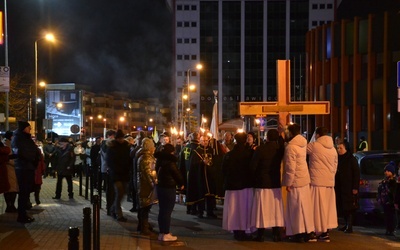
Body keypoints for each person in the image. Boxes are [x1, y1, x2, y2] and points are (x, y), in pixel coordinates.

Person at [282, 123, 316, 242]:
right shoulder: (303, 143)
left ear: (290, 133)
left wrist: (288, 182)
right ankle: (308, 231)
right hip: (304, 178)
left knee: (296, 207)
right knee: (305, 207)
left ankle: (298, 232)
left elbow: (290, 167)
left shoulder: (291, 147)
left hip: (296, 180)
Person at [249, 129, 285, 242]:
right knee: (275, 208)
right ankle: (276, 233)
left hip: (262, 182)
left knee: (262, 209)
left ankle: (261, 234)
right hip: (274, 182)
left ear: (267, 137)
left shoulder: (261, 149)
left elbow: (253, 166)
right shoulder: (279, 149)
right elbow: (282, 143)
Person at [307, 127, 338, 242]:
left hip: (316, 182)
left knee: (315, 207)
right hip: (329, 183)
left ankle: (314, 231)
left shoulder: (314, 146)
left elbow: (304, 149)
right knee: (327, 208)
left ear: (318, 135)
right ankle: (325, 232)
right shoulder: (333, 149)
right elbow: (335, 166)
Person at [222, 132, 253, 241]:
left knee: (234, 209)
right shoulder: (249, 154)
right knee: (244, 209)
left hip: (232, 186)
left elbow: (223, 170)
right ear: (245, 141)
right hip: (246, 185)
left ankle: (235, 230)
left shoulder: (229, 155)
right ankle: (244, 229)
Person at [11, 121, 41, 223]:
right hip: (23, 168)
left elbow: (35, 151)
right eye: (29, 127)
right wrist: (32, 159)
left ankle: (23, 213)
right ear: (24, 128)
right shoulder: (18, 138)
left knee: (26, 192)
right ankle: (21, 215)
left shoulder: (26, 138)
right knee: (23, 192)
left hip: (29, 167)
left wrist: (34, 161)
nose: (30, 129)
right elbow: (21, 153)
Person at [155, 143, 184, 242]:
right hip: (168, 188)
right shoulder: (170, 162)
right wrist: (182, 184)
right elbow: (177, 174)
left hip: (160, 187)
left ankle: (162, 232)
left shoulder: (159, 160)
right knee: (167, 211)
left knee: (162, 210)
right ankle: (166, 233)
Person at [106, 129, 132, 222]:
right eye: (119, 138)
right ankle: (118, 214)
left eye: (121, 138)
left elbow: (129, 159)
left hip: (124, 174)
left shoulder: (126, 146)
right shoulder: (112, 147)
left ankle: (113, 209)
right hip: (116, 174)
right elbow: (109, 161)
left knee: (123, 193)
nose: (120, 140)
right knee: (119, 193)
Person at [335, 140, 360, 233]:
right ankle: (346, 224)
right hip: (340, 186)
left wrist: (355, 187)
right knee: (343, 206)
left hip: (349, 187)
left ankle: (349, 226)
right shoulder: (338, 158)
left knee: (349, 207)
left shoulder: (351, 159)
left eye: (341, 148)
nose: (339, 150)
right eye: (338, 148)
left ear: (346, 148)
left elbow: (356, 174)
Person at [137, 138, 158, 235]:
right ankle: (144, 228)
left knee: (144, 207)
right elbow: (149, 173)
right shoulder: (146, 158)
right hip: (146, 186)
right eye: (153, 146)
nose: (154, 148)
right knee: (145, 207)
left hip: (143, 184)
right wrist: (154, 184)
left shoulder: (144, 156)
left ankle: (143, 225)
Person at [178, 132, 200, 215]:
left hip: (186, 173)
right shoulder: (199, 148)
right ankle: (194, 209)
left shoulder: (184, 148)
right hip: (196, 174)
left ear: (190, 138)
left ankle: (188, 208)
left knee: (188, 191)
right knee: (195, 191)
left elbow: (181, 163)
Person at [377, 161, 397, 236]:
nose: (386, 172)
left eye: (388, 171)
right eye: (385, 171)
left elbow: (393, 192)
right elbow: (380, 189)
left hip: (391, 202)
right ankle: (388, 229)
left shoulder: (393, 182)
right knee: (387, 216)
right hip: (385, 201)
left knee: (392, 216)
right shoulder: (384, 181)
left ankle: (391, 230)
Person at [100, 129, 116, 215]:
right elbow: (107, 157)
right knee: (110, 189)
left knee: (109, 189)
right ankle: (110, 207)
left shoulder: (103, 144)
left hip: (105, 168)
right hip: (108, 169)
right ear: (110, 136)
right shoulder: (107, 144)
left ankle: (109, 206)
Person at [2, 131, 18, 213]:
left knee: (11, 188)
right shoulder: (6, 144)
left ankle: (11, 206)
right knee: (10, 189)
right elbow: (7, 157)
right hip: (9, 169)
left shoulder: (7, 143)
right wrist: (15, 163)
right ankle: (10, 206)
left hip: (10, 169)